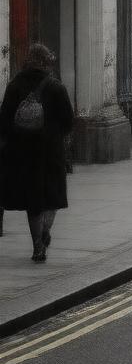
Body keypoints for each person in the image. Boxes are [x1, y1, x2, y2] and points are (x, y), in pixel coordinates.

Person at [0, 44, 74, 262]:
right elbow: (68, 120)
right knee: (52, 198)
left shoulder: (14, 85)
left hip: (23, 153)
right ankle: (45, 231)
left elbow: (3, 120)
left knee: (33, 202)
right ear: (46, 62)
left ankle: (37, 246)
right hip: (51, 151)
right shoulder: (56, 87)